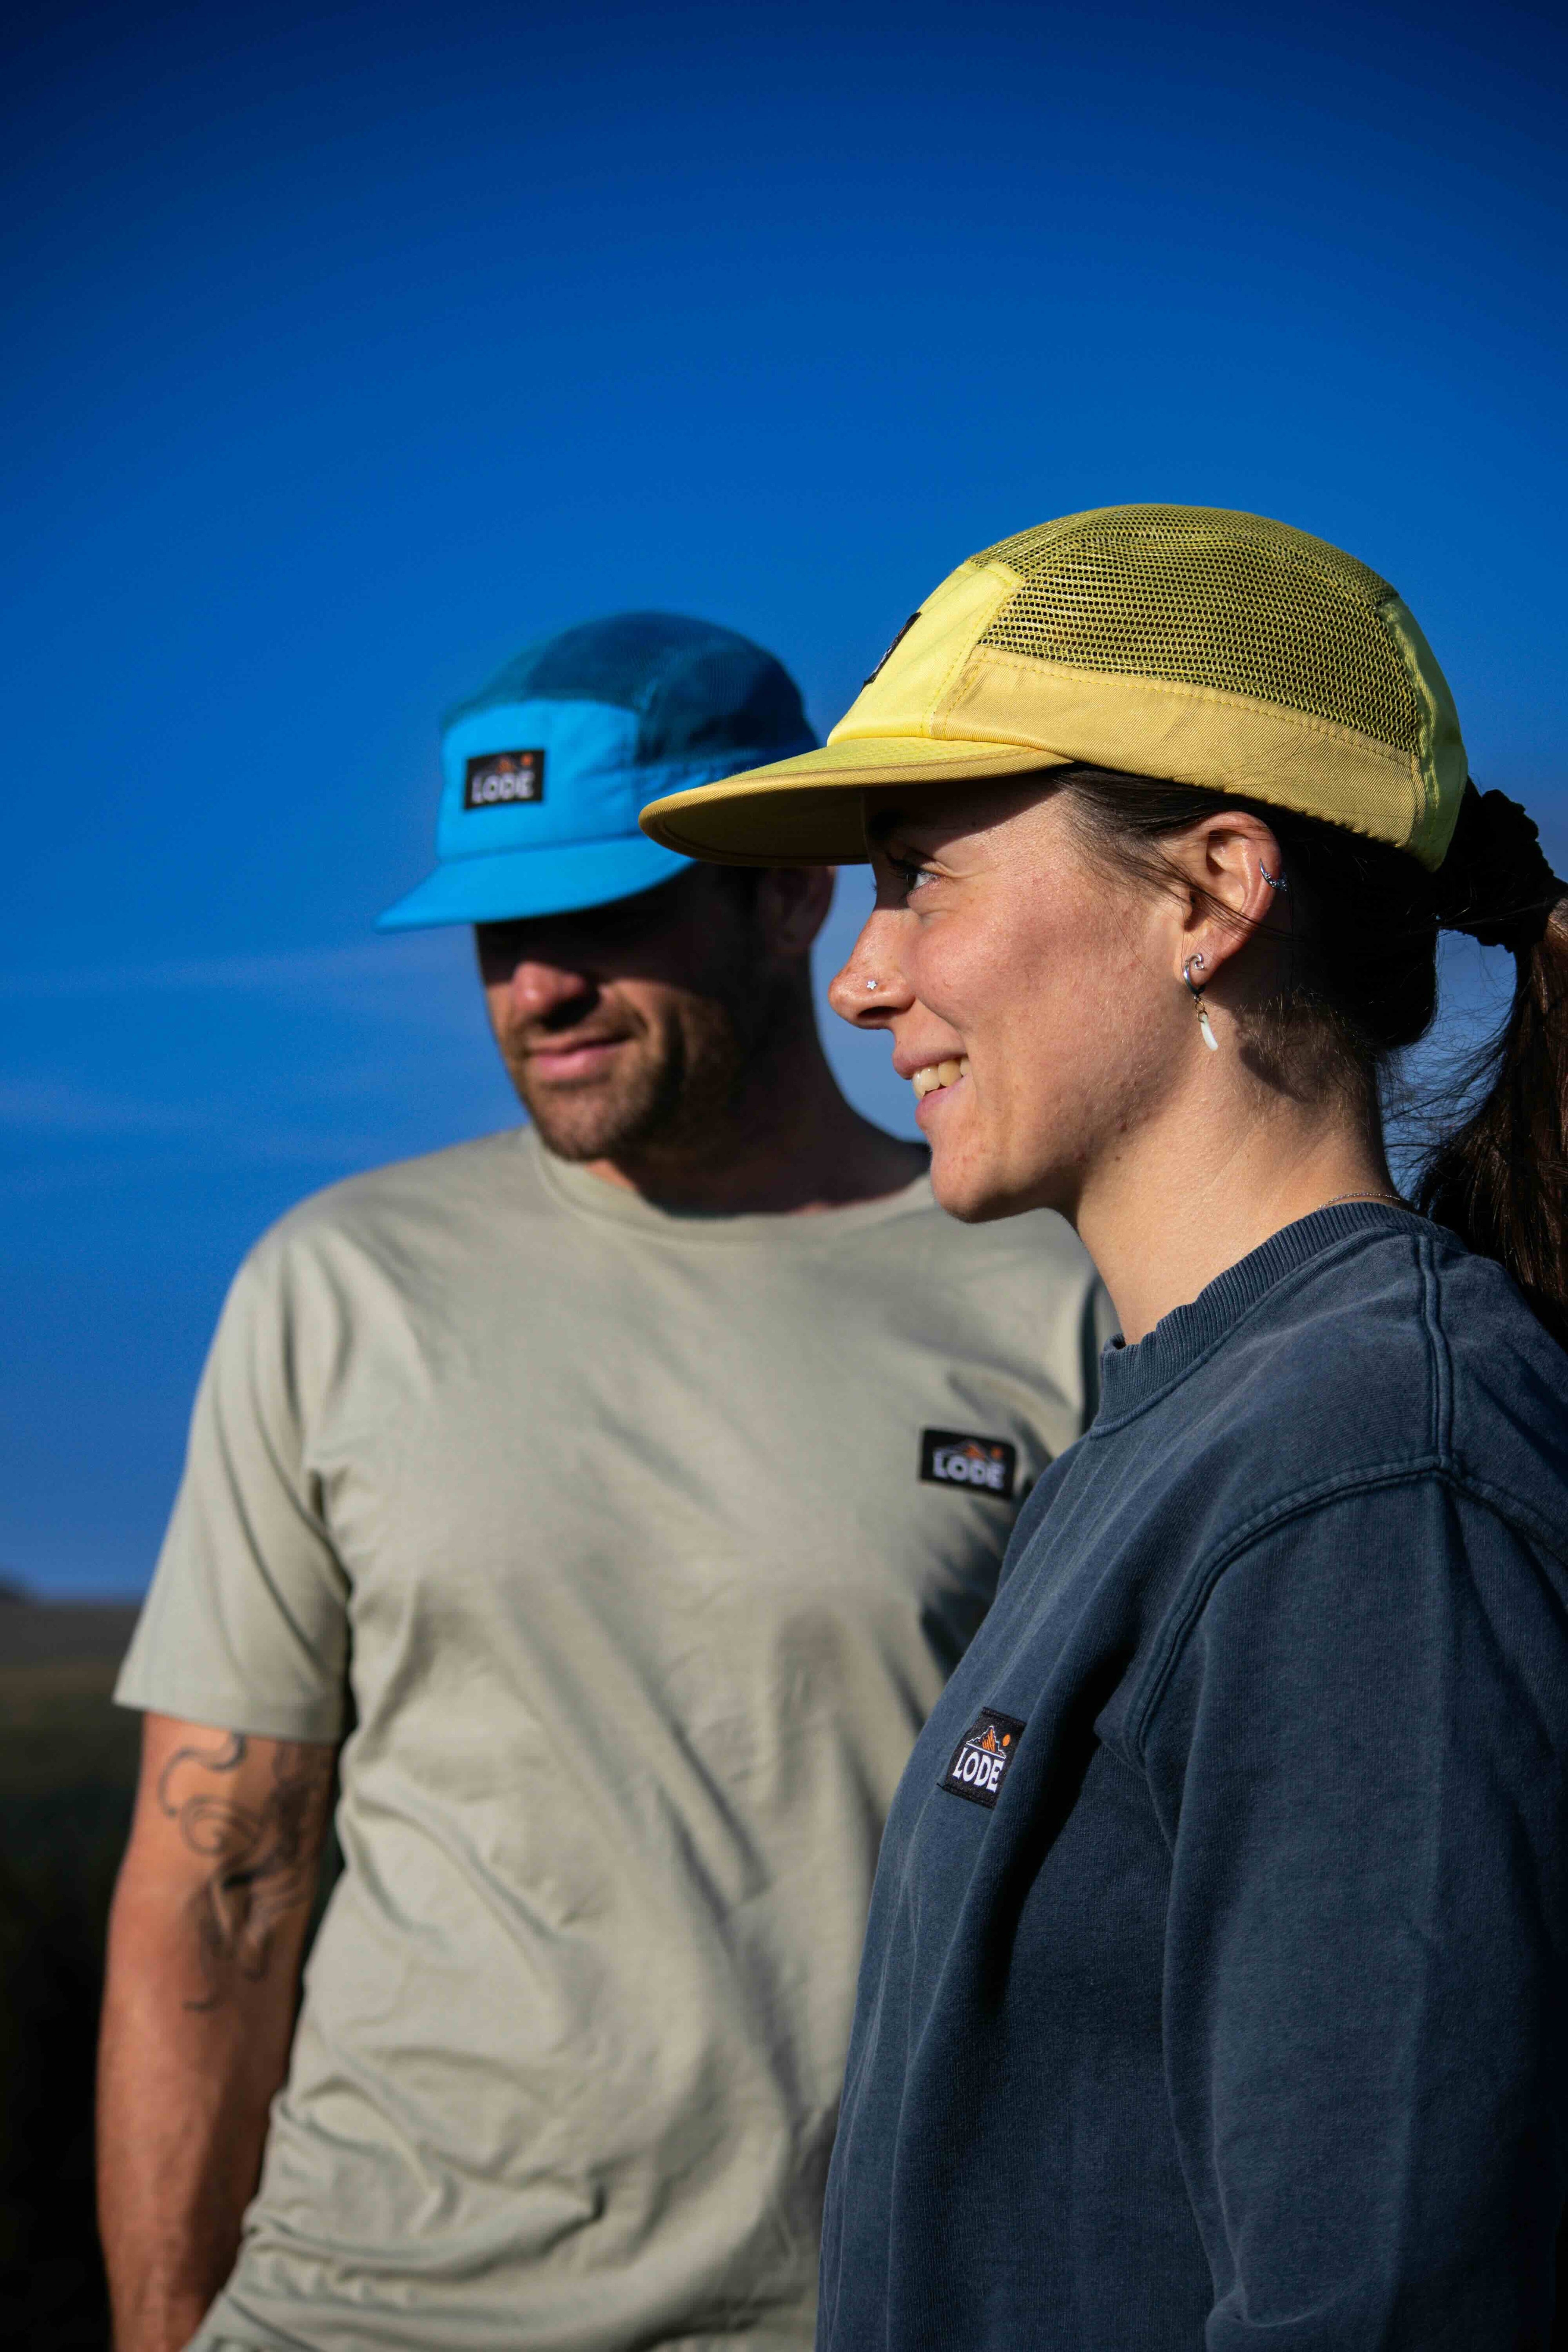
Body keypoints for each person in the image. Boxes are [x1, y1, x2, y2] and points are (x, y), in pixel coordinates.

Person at [98, 610, 1109, 2352]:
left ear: (789, 894)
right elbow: (219, 1874)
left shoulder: (1043, 1292)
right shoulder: (337, 1285)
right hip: (358, 2308)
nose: (535, 984)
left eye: (602, 916)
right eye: (500, 928)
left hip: (847, 2313)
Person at [639, 509, 1568, 2347]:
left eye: (923, 877)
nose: (861, 973)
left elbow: (1382, 2294)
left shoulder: (1372, 1476)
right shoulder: (1199, 1420)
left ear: (1211, 895)